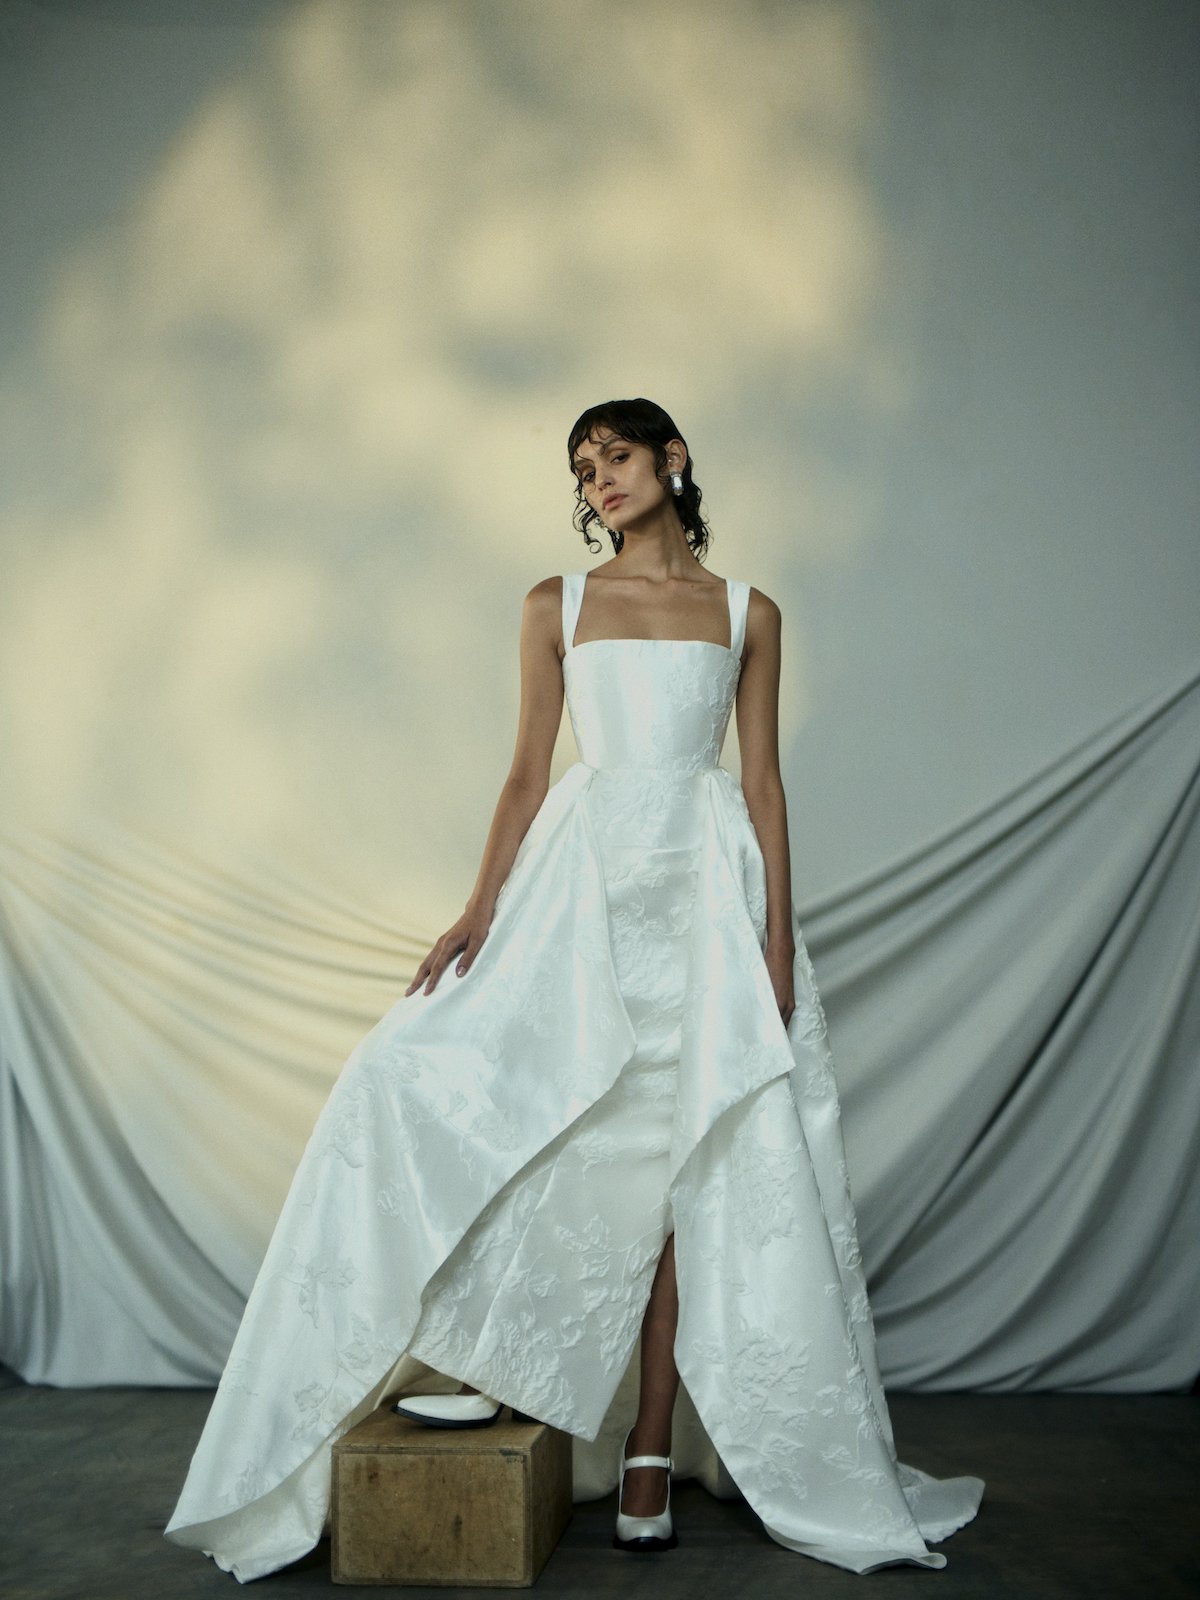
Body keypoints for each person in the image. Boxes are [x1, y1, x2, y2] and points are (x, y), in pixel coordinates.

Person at [165, 398, 984, 1580]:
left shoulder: (749, 611)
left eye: (616, 456)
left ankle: (650, 1447)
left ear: (674, 459)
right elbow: (521, 774)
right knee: (478, 1093)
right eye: (583, 467)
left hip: (704, 894)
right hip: (585, 883)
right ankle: (480, 1364)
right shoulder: (555, 602)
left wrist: (773, 938)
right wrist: (477, 909)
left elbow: (761, 782)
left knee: (686, 1155)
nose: (598, 479)